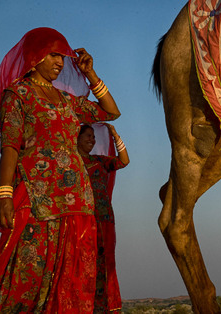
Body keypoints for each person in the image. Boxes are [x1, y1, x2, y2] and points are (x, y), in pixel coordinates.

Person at [0, 27, 122, 313]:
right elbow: (10, 147)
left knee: (74, 276)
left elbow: (111, 112)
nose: (60, 62)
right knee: (24, 272)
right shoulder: (18, 95)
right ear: (35, 56)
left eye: (62, 57)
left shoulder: (66, 100)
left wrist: (91, 74)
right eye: (53, 54)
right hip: (36, 196)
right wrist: (4, 194)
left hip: (77, 199)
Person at [77, 123, 129, 313]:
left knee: (104, 262)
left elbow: (123, 162)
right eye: (88, 136)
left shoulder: (99, 160)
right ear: (76, 137)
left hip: (104, 219)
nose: (92, 140)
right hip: (81, 222)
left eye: (94, 137)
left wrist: (115, 135)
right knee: (82, 263)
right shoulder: (70, 163)